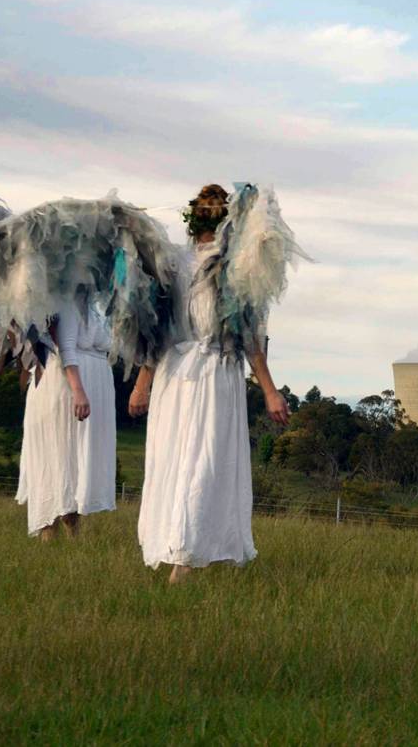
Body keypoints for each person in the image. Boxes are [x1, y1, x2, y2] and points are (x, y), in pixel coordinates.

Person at [130, 183, 294, 585]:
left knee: (202, 462)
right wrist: (142, 382)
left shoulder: (235, 269)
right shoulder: (175, 265)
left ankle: (187, 553)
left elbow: (248, 335)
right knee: (177, 461)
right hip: (178, 374)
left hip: (213, 373)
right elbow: (158, 329)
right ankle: (178, 548)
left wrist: (270, 389)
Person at [15, 294, 117, 540]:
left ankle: (71, 529)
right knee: (60, 456)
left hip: (93, 379)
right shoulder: (67, 297)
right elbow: (65, 347)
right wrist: (78, 390)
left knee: (74, 460)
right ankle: (49, 530)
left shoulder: (97, 302)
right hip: (66, 386)